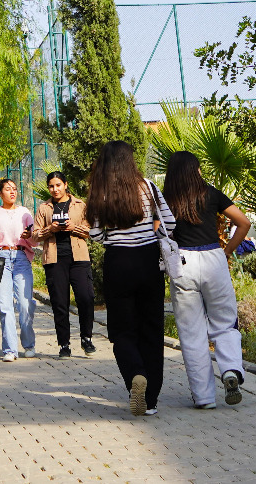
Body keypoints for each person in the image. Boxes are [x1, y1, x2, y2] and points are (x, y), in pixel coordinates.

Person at [87, 140, 177, 417]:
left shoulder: (101, 192)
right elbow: (171, 224)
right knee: (151, 328)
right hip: (148, 260)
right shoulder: (147, 186)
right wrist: (152, 235)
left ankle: (135, 375)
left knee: (122, 330)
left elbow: (96, 235)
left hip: (118, 262)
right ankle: (150, 401)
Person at [163, 150, 252, 409]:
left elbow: (159, 231)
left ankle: (203, 398)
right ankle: (231, 370)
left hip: (182, 263)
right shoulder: (211, 193)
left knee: (192, 334)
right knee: (225, 322)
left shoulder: (167, 199)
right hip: (213, 258)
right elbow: (243, 223)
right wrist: (226, 251)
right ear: (195, 170)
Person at [34, 171, 95, 358]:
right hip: (54, 259)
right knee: (60, 303)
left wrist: (73, 228)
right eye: (51, 186)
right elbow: (35, 235)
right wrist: (49, 229)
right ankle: (64, 344)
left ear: (65, 185)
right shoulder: (44, 208)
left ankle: (86, 338)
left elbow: (90, 230)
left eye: (58, 185)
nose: (55, 189)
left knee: (86, 297)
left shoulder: (80, 205)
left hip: (79, 259)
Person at [0, 177, 38, 361]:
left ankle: (29, 344)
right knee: (5, 306)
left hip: (22, 257)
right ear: (0, 193)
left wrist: (29, 236)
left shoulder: (25, 212)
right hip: (2, 258)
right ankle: (10, 350)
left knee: (25, 304)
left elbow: (35, 240)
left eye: (14, 189)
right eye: (8, 189)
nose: (12, 192)